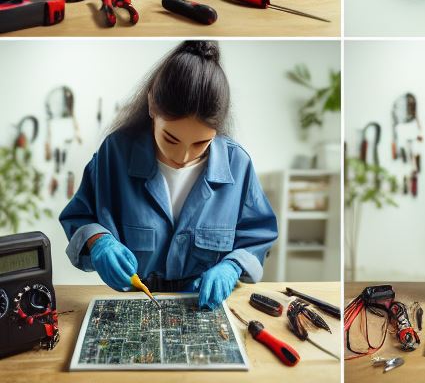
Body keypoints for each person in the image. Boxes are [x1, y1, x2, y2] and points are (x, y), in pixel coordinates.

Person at [61, 40, 277, 308]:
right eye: (171, 139)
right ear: (152, 105)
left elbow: (258, 236)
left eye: (201, 144)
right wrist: (98, 241)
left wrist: (232, 266)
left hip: (201, 306)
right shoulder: (114, 153)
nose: (183, 157)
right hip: (136, 306)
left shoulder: (238, 165)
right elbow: (80, 215)